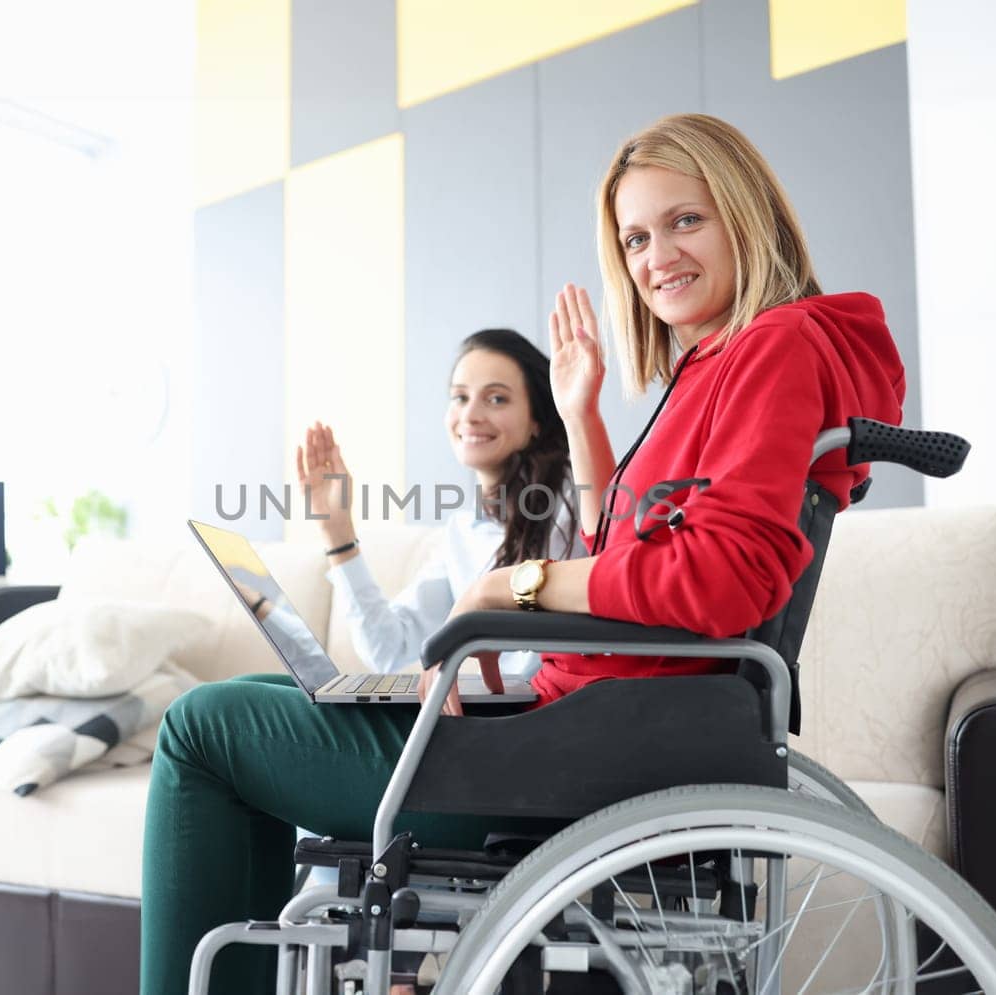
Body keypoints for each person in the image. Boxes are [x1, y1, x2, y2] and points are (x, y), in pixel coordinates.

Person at [141, 113, 906, 994]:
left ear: (747, 212)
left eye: (685, 221)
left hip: (577, 767)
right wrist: (583, 418)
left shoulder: (773, 348)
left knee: (201, 727)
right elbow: (635, 559)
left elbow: (719, 580)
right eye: (635, 237)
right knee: (265, 696)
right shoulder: (721, 360)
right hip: (586, 732)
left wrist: (515, 582)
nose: (657, 257)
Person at [297, 329, 582, 681]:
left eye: (496, 399)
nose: (471, 415)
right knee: (268, 687)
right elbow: (386, 648)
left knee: (230, 704)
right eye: (460, 397)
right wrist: (337, 533)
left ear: (536, 422)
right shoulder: (464, 531)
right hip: (472, 713)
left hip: (524, 718)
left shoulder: (571, 512)